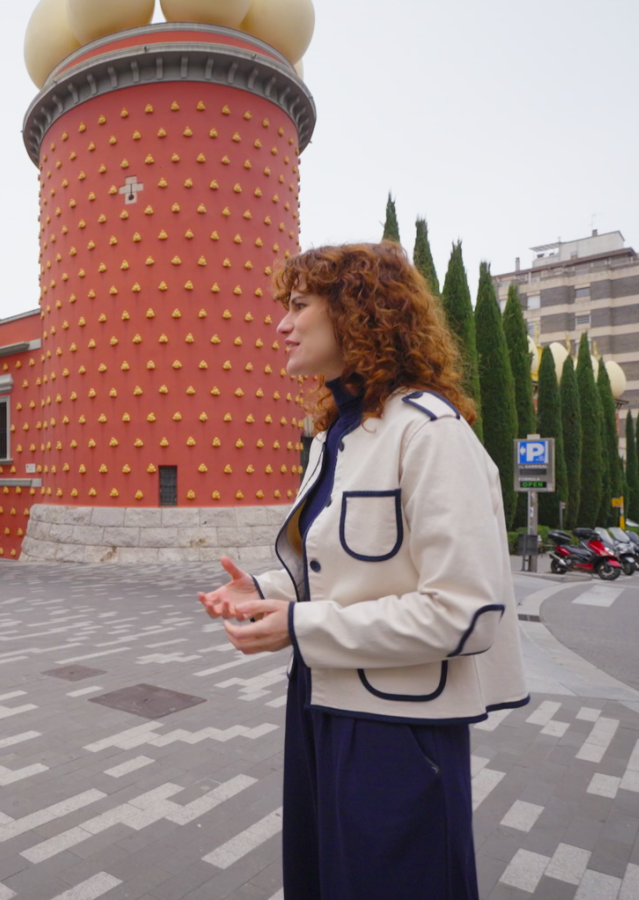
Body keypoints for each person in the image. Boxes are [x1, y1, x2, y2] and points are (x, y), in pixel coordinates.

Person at [197, 242, 528, 900]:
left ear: (355, 312)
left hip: (397, 734)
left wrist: (300, 623)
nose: (280, 324)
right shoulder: (336, 436)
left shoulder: (430, 433)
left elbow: (465, 612)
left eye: (298, 306)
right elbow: (347, 569)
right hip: (319, 707)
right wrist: (265, 593)